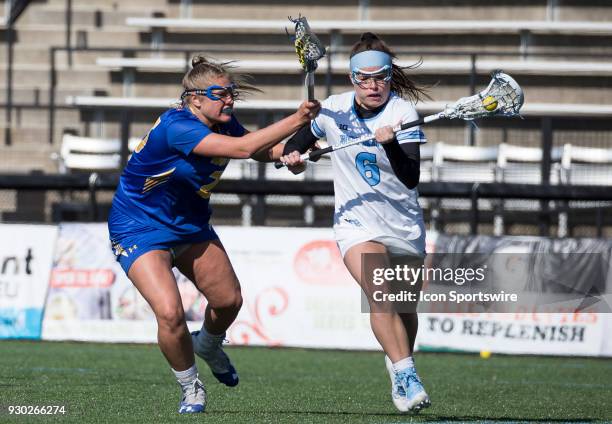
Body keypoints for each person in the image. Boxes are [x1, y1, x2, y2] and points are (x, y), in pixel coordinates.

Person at [107, 55, 320, 414]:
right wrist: (299, 119)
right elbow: (242, 149)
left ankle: (207, 344)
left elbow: (260, 149)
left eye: (231, 93)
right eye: (221, 94)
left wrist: (292, 152)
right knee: (171, 313)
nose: (230, 101)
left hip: (190, 224)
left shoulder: (221, 121)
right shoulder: (178, 126)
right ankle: (191, 387)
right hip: (139, 226)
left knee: (228, 302)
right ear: (195, 98)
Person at [280, 32, 431, 413]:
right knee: (380, 294)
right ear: (352, 79)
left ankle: (398, 363)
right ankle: (406, 373)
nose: (373, 85)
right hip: (355, 224)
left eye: (380, 77)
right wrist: (296, 157)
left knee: (404, 309)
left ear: (389, 76)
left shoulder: (402, 114)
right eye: (364, 78)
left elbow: (411, 176)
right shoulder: (332, 109)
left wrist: (391, 144)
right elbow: (293, 147)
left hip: (404, 225)